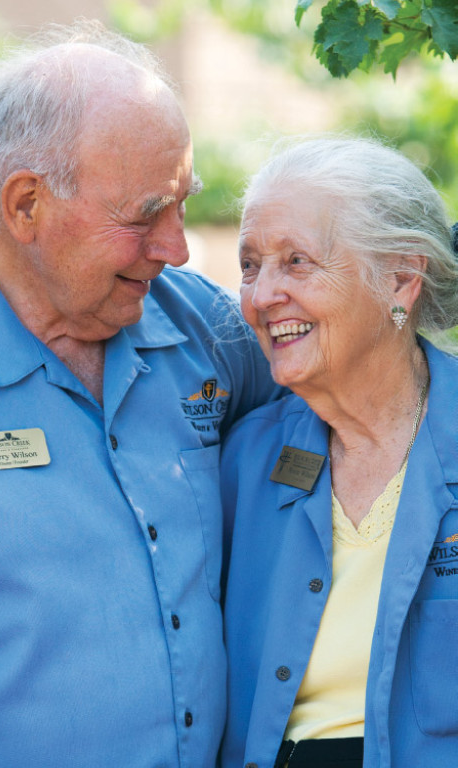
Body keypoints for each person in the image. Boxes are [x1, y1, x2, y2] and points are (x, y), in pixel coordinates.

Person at [0, 20, 280, 768]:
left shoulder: (203, 330)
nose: (178, 248)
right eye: (145, 214)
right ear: (25, 205)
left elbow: (347, 409)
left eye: (184, 203)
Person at [220, 137, 458, 768]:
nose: (261, 297)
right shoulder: (244, 462)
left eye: (296, 262)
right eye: (250, 266)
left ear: (401, 281)